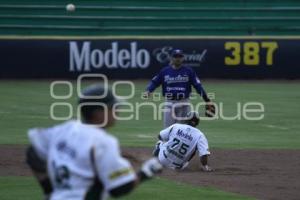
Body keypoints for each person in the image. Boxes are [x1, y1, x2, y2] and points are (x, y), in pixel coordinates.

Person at [25, 84, 163, 200]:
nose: (117, 111)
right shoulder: (103, 141)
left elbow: (32, 153)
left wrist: (48, 189)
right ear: (98, 113)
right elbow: (119, 188)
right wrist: (147, 172)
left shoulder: (65, 129)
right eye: (113, 107)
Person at [144, 49, 215, 128]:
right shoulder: (165, 71)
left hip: (184, 103)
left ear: (183, 58)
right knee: (168, 130)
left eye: (180, 56)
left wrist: (207, 100)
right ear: (171, 58)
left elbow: (198, 86)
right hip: (169, 103)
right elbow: (155, 82)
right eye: (175, 56)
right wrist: (148, 90)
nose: (178, 58)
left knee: (182, 131)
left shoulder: (189, 71)